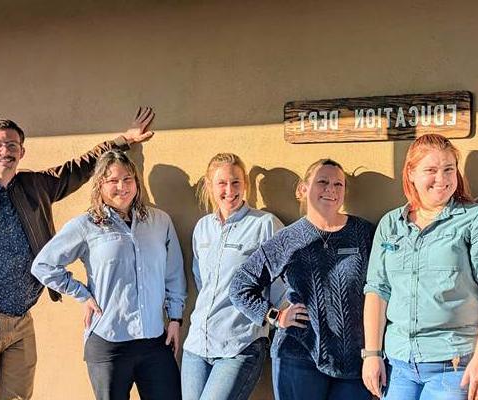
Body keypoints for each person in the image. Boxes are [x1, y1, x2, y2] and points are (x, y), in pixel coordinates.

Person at [0, 107, 155, 400]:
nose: (5, 152)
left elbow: (78, 168)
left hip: (22, 317)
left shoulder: (34, 186)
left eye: (12, 145)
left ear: (22, 151)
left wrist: (122, 140)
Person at [362, 134, 478, 400]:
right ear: (410, 173)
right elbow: (377, 290)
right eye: (431, 170)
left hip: (454, 364)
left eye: (449, 169)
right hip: (399, 365)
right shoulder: (390, 224)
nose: (442, 179)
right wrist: (372, 354)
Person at [31, 150, 185, 400]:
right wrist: (81, 293)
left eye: (127, 179)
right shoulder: (86, 225)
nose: (121, 187)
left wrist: (176, 318)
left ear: (137, 182)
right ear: (100, 184)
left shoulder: (160, 222)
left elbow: (174, 273)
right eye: (112, 180)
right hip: (109, 343)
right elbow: (43, 265)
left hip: (155, 341)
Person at [230, 158, 375, 400]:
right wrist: (275, 316)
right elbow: (240, 286)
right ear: (303, 189)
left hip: (353, 361)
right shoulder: (288, 239)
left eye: (338, 184)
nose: (331, 189)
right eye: (323, 182)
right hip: (298, 357)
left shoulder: (364, 233)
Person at [180, 153, 285, 400]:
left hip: (239, 345)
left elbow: (282, 286)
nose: (230, 190)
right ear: (210, 186)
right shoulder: (202, 227)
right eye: (222, 183)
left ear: (245, 183)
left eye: (236, 182)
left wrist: (276, 318)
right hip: (196, 346)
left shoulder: (265, 225)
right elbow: (203, 282)